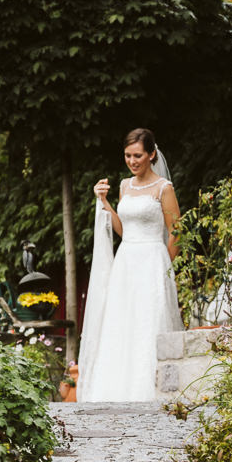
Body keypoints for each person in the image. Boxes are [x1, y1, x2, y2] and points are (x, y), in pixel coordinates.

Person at [78, 127, 184, 402]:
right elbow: (124, 229)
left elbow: (177, 231)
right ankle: (116, 389)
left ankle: (150, 389)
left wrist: (165, 266)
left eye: (137, 155)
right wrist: (103, 202)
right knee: (122, 322)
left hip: (152, 260)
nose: (132, 161)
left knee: (149, 320)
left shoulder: (164, 188)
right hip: (126, 261)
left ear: (151, 154)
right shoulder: (125, 186)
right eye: (128, 155)